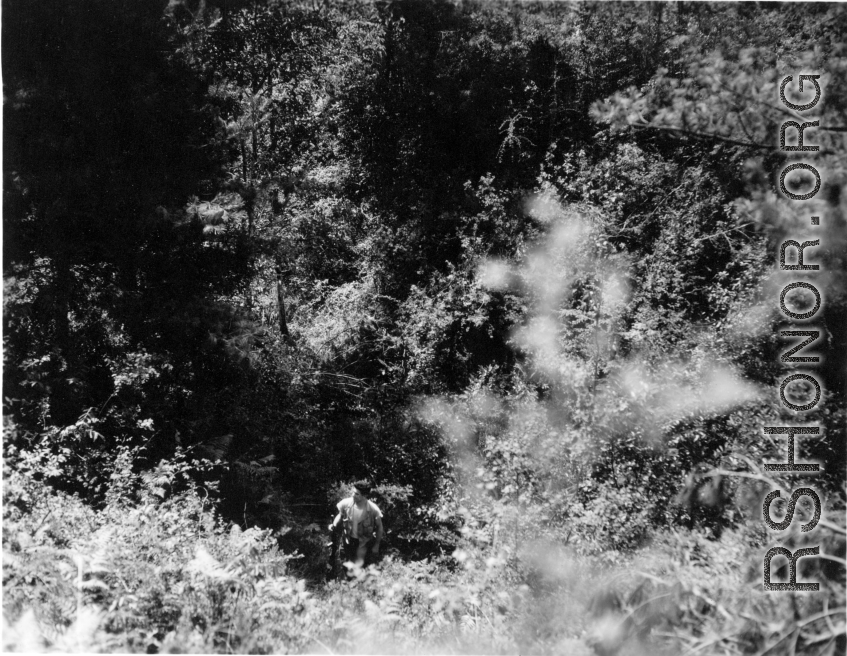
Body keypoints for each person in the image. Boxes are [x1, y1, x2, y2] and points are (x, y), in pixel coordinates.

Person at [328, 480, 384, 574]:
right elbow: (340, 515)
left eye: (357, 494)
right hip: (348, 540)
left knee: (360, 567)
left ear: (365, 495)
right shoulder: (345, 504)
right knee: (346, 565)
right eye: (353, 492)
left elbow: (379, 527)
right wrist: (334, 524)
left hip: (363, 543)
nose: (353, 495)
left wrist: (376, 545)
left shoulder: (373, 509)